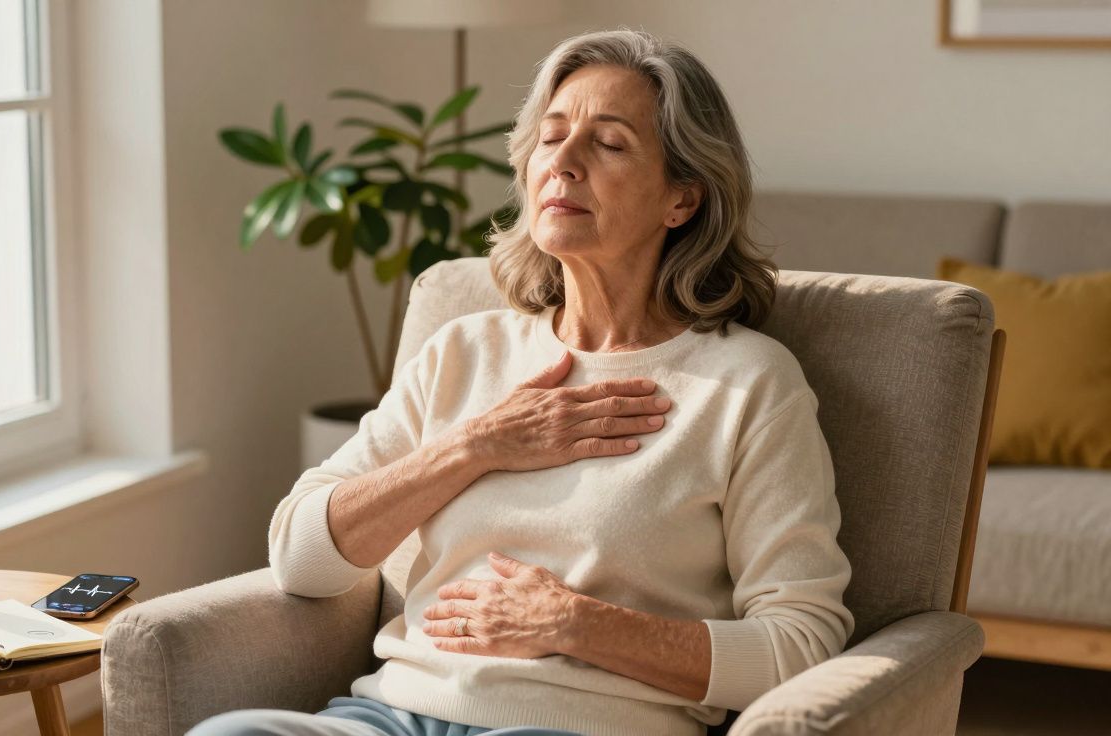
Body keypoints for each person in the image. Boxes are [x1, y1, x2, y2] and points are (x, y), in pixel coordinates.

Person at [190, 26, 853, 736]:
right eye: (550, 136)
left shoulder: (746, 383)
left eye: (609, 143)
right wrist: (476, 445)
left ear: (681, 200)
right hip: (391, 716)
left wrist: (577, 624)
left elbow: (802, 644)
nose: (562, 163)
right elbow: (300, 560)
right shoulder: (464, 352)